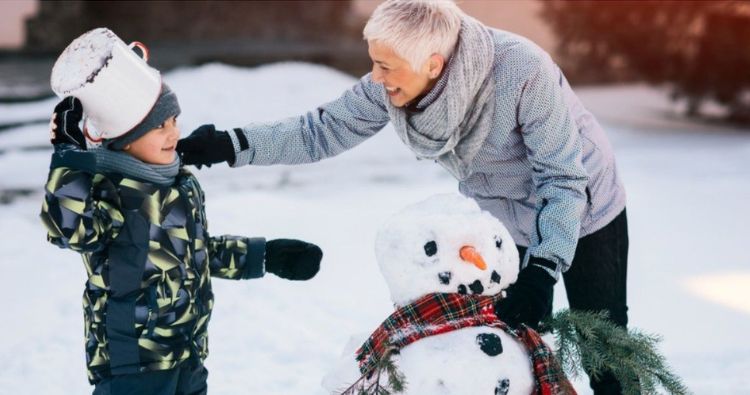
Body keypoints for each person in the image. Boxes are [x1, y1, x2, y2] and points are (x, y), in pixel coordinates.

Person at [176, 1, 629, 393]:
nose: (376, 77)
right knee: (507, 351)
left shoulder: (521, 72)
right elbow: (321, 131)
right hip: (499, 223)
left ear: (434, 64)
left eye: (386, 67)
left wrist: (544, 268)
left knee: (605, 348)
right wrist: (234, 144)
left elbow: (564, 180)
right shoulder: (398, 80)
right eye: (374, 62)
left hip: (584, 205)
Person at [40, 86, 323, 395]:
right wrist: (69, 160)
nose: (173, 133)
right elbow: (70, 230)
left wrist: (264, 255)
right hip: (135, 362)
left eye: (174, 120)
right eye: (159, 126)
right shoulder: (111, 190)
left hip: (188, 354)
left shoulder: (178, 184)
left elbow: (195, 251)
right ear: (124, 139)